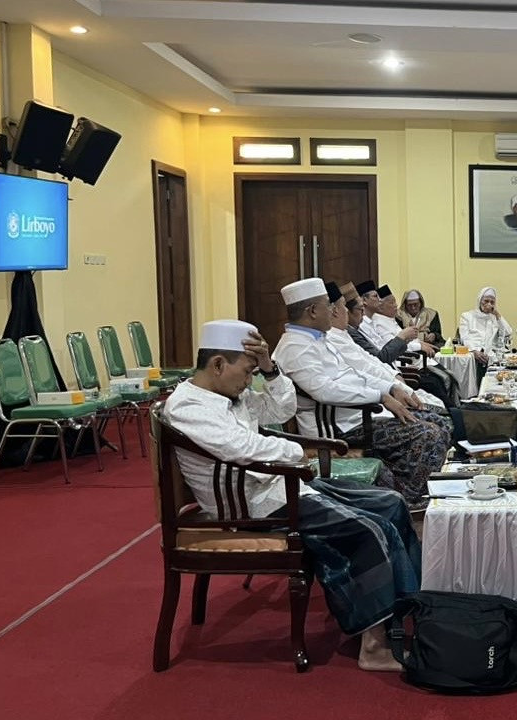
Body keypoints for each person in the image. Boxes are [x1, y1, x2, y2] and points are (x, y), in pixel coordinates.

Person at [163, 319, 419, 672]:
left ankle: (408, 609)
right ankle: (373, 647)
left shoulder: (228, 393)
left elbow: (281, 411)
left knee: (390, 503)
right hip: (252, 506)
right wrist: (297, 454)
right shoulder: (189, 407)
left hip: (282, 487)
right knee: (368, 529)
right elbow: (245, 448)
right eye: (248, 370)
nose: (249, 379)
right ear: (219, 365)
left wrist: (269, 370)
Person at [272, 278, 452, 509]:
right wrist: (380, 396)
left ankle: (407, 494)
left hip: (356, 418)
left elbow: (354, 373)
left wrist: (390, 388)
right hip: (337, 431)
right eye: (329, 305)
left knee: (436, 422)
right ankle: (411, 501)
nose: (335, 310)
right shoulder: (295, 347)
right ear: (313, 311)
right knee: (429, 434)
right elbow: (326, 390)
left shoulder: (318, 339)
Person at [324, 282, 448, 413]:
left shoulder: (346, 332)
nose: (346, 312)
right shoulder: (342, 334)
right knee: (436, 404)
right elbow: (371, 364)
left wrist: (395, 379)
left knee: (440, 391)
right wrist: (392, 387)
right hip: (369, 404)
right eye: (344, 306)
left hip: (389, 381)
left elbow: (371, 360)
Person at [458, 286, 514, 372]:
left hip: (490, 357)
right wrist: (474, 351)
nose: (489, 304)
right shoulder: (467, 316)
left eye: (492, 302)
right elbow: (464, 337)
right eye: (486, 301)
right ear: (480, 301)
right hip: (472, 355)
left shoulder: (494, 317)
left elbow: (508, 332)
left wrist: (497, 315)